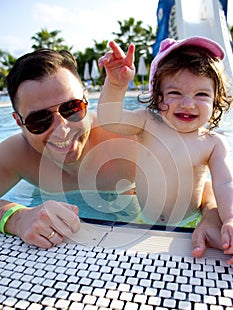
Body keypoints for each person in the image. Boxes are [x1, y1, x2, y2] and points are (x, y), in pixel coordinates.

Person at [0, 47, 223, 258]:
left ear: (87, 101)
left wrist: (211, 214)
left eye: (72, 108)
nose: (62, 129)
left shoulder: (130, 136)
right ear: (18, 122)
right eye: (39, 120)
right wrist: (17, 217)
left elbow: (195, 175)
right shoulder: (17, 154)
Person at [97, 37, 233, 264]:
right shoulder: (147, 122)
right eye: (175, 93)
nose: (188, 104)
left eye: (201, 95)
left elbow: (225, 184)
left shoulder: (212, 143)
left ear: (216, 100)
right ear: (157, 95)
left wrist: (230, 218)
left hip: (189, 223)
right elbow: (109, 120)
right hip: (144, 219)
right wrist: (116, 84)